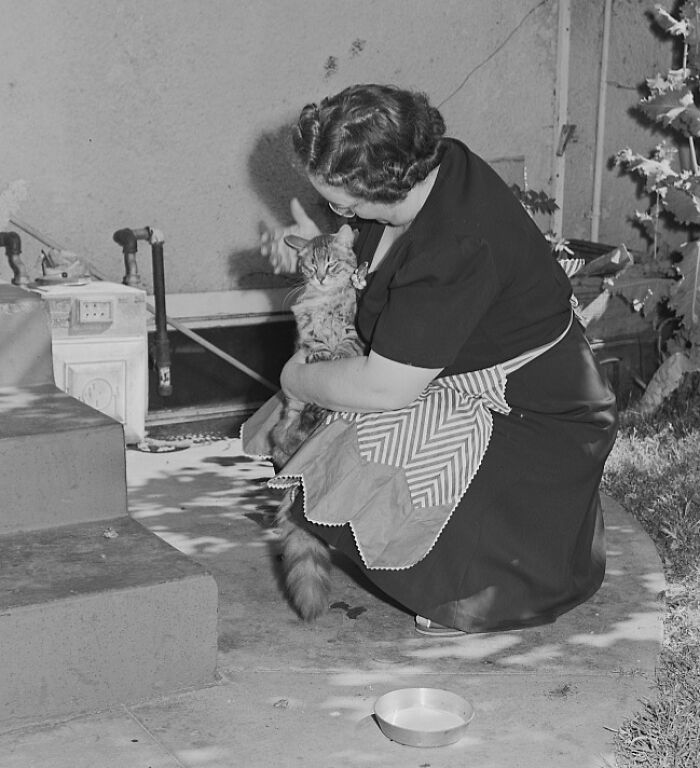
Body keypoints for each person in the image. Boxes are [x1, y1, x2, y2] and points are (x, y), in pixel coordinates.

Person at [256, 83, 618, 636]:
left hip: (535, 415)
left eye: (343, 203)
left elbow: (385, 387)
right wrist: (319, 241)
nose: (341, 214)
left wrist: (296, 380)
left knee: (358, 431)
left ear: (382, 184)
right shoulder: (429, 164)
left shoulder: (455, 247)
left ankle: (471, 584)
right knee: (329, 417)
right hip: (471, 372)